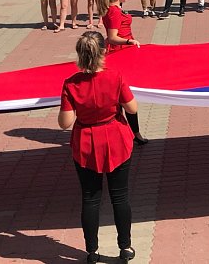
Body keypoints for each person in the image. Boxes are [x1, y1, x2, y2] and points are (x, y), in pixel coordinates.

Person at [59, 31, 137, 263]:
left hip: (86, 142)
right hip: (116, 138)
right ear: (104, 51)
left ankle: (92, 251)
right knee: (120, 197)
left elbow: (65, 123)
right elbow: (132, 108)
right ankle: (125, 247)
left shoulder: (70, 83)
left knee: (90, 198)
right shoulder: (116, 77)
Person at [97, 0, 147, 145]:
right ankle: (132, 133)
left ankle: (132, 132)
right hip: (120, 54)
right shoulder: (114, 12)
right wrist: (129, 41)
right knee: (125, 95)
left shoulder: (114, 9)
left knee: (125, 95)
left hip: (124, 53)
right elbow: (112, 37)